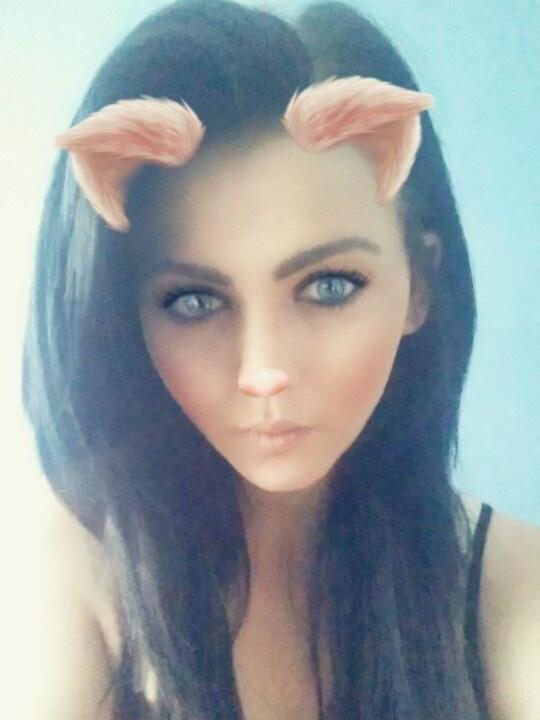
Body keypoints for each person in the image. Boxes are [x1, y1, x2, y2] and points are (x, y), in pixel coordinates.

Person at [21, 1, 540, 719]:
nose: (264, 370)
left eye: (329, 287)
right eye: (195, 301)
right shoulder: (76, 562)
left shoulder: (506, 585)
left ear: (419, 285)